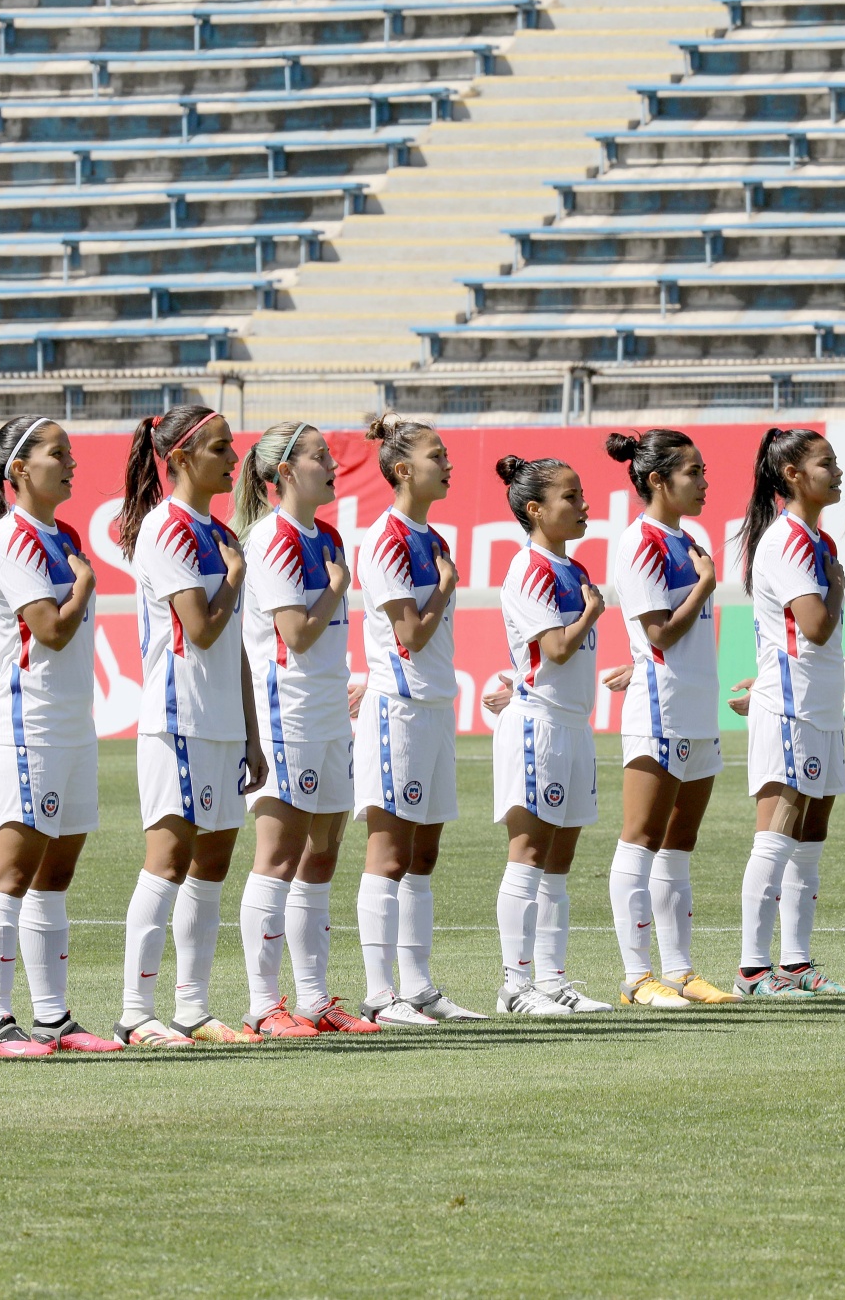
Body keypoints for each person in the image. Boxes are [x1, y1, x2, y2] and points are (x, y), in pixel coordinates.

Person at [0, 416, 122, 1057]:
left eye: (72, 452)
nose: (72, 463)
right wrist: (84, 584)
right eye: (59, 454)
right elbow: (49, 630)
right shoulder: (12, 538)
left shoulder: (64, 534)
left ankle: (54, 1019)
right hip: (29, 726)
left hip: (71, 724)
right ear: (20, 470)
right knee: (11, 872)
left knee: (56, 874)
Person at [114, 405, 269, 1048]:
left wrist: (253, 732)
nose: (235, 460)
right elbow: (202, 630)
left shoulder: (216, 531)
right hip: (177, 718)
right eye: (221, 449)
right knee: (169, 860)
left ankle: (193, 1009)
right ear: (179, 459)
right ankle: (134, 1011)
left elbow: (233, 646)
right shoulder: (168, 530)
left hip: (223, 724)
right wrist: (233, 579)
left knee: (213, 862)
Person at [233, 421, 381, 1036]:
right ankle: (265, 1004)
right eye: (320, 456)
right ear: (285, 473)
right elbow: (294, 633)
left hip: (326, 712)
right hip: (285, 712)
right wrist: (339, 586)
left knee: (324, 853)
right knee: (279, 854)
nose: (332, 463)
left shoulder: (328, 535)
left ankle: (316, 999)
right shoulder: (273, 539)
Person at [353, 415, 484, 1025]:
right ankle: (381, 994)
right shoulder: (387, 538)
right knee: (389, 852)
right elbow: (408, 634)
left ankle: (419, 986)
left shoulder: (429, 537)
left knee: (424, 854)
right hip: (399, 708)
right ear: (403, 469)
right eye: (438, 454)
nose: (448, 463)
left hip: (434, 705)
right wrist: (448, 585)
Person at [603, 429, 733, 1008]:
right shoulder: (641, 544)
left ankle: (680, 971)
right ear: (657, 480)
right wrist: (704, 586)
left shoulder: (687, 538)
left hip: (697, 707)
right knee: (641, 840)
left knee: (680, 844)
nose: (705, 482)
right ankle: (637, 976)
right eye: (694, 472)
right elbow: (657, 635)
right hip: (660, 708)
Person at [735, 428, 845, 997]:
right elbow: (813, 625)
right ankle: (753, 969)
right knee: (778, 833)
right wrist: (834, 590)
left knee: (811, 835)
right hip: (790, 706)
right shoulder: (786, 540)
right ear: (792, 475)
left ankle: (797, 962)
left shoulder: (819, 540)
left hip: (820, 705)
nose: (837, 471)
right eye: (825, 463)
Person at [489, 455, 614, 1015]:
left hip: (573, 726)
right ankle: (515, 986)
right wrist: (590, 615)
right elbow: (556, 649)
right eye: (571, 496)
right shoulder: (529, 568)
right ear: (535, 509)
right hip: (538, 725)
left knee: (559, 861)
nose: (583, 505)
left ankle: (552, 979)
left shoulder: (574, 568)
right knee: (529, 854)